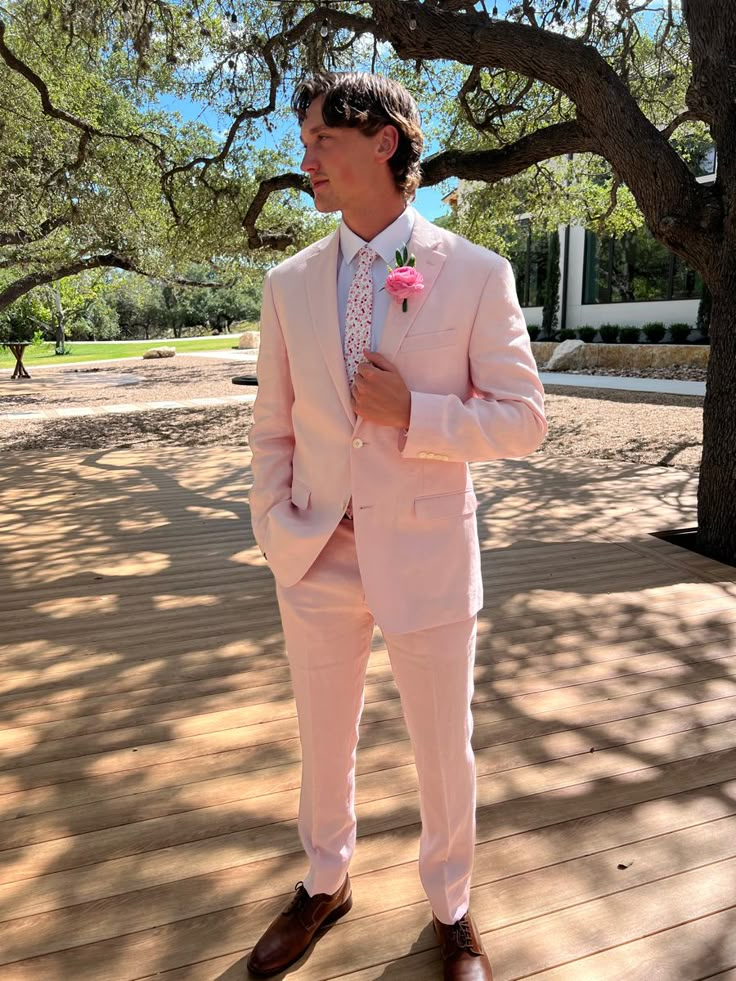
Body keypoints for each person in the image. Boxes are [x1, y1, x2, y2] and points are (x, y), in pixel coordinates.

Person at [247, 70, 547, 981]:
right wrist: (275, 526)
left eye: (321, 143)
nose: (306, 163)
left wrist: (417, 412)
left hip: (425, 549)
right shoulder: (288, 282)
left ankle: (452, 910)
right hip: (315, 547)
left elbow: (524, 418)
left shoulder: (476, 272)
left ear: (384, 141)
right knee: (322, 734)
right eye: (303, 145)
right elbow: (273, 423)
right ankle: (325, 880)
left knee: (441, 747)